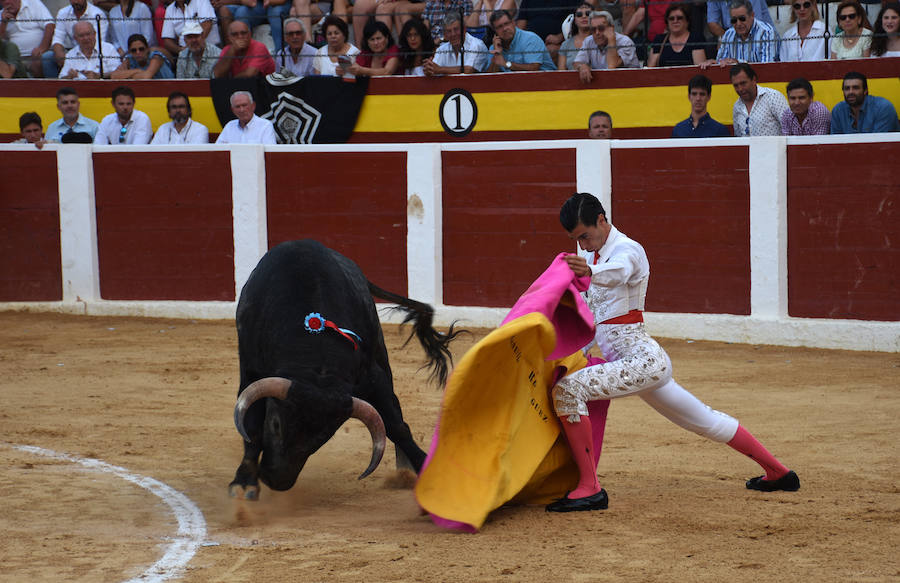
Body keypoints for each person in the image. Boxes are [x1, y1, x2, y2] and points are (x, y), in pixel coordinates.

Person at [544, 192, 800, 513]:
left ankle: (589, 488)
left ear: (601, 220)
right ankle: (779, 473)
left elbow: (619, 272)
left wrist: (589, 273)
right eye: (575, 240)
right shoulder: (594, 258)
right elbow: (590, 320)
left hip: (639, 362)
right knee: (705, 420)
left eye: (585, 235)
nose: (582, 244)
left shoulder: (627, 250)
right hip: (642, 363)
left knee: (568, 391)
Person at [44, 0, 110, 78]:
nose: (75, 2)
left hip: (92, 51)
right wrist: (59, 54)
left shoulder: (97, 14)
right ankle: (53, 87)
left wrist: (73, 57)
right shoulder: (63, 13)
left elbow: (97, 42)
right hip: (70, 51)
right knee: (47, 57)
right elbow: (57, 39)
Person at [573, 10, 638, 83]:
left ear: (612, 28)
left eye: (601, 28)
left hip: (629, 85)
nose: (597, 33)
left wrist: (611, 40)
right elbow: (577, 62)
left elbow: (612, 66)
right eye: (593, 29)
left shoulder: (625, 42)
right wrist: (582, 66)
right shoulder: (589, 41)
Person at [705, 0, 777, 66]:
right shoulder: (728, 35)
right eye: (734, 20)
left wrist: (738, 63)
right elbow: (722, 62)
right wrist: (714, 64)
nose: (738, 23)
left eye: (742, 19)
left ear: (752, 15)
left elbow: (768, 67)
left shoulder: (766, 32)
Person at [486, 8, 556, 72]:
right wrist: (497, 55)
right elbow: (489, 79)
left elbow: (533, 68)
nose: (504, 29)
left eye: (507, 24)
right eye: (499, 27)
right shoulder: (494, 47)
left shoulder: (530, 39)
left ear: (513, 23)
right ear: (495, 30)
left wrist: (506, 64)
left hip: (545, 81)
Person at [830, 71, 900, 134]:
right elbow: (835, 142)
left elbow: (878, 144)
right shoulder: (838, 111)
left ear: (865, 90)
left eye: (856, 88)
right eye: (847, 88)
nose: (851, 92)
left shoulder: (883, 108)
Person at [730, 62, 787, 136]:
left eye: (743, 83)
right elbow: (738, 137)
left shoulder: (773, 97)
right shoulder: (737, 107)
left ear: (753, 80)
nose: (740, 89)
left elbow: (789, 128)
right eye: (736, 85)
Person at [0, 0, 55, 77]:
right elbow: (1, 42)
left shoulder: (33, 3)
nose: (7, 2)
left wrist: (42, 48)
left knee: (41, 61)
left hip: (37, 55)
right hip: (15, 59)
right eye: (3, 0)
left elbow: (50, 25)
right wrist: (4, 23)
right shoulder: (1, 15)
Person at [424, 10, 488, 74]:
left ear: (464, 29)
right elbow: (434, 68)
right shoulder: (442, 49)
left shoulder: (476, 45)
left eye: (456, 29)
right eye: (449, 31)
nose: (453, 34)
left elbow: (468, 70)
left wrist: (439, 69)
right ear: (445, 34)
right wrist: (429, 69)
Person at [219, 0, 290, 54]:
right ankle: (241, 57)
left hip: (280, 4)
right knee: (242, 12)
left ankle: (281, 56)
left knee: (275, 13)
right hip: (259, 5)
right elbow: (251, 2)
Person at [647, 3, 706, 67]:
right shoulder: (659, 40)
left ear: (687, 21)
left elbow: (699, 69)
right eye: (671, 18)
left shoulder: (696, 39)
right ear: (667, 22)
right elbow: (650, 68)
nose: (675, 21)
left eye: (679, 18)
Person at [706, 0, 774, 40]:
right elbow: (712, 23)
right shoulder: (729, 35)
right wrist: (725, 39)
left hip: (761, 36)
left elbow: (753, 25)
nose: (738, 23)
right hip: (736, 35)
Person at [557, 3, 593, 71]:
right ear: (575, 20)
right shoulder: (566, 44)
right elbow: (561, 73)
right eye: (579, 14)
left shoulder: (601, 41)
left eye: (588, 14)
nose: (584, 16)